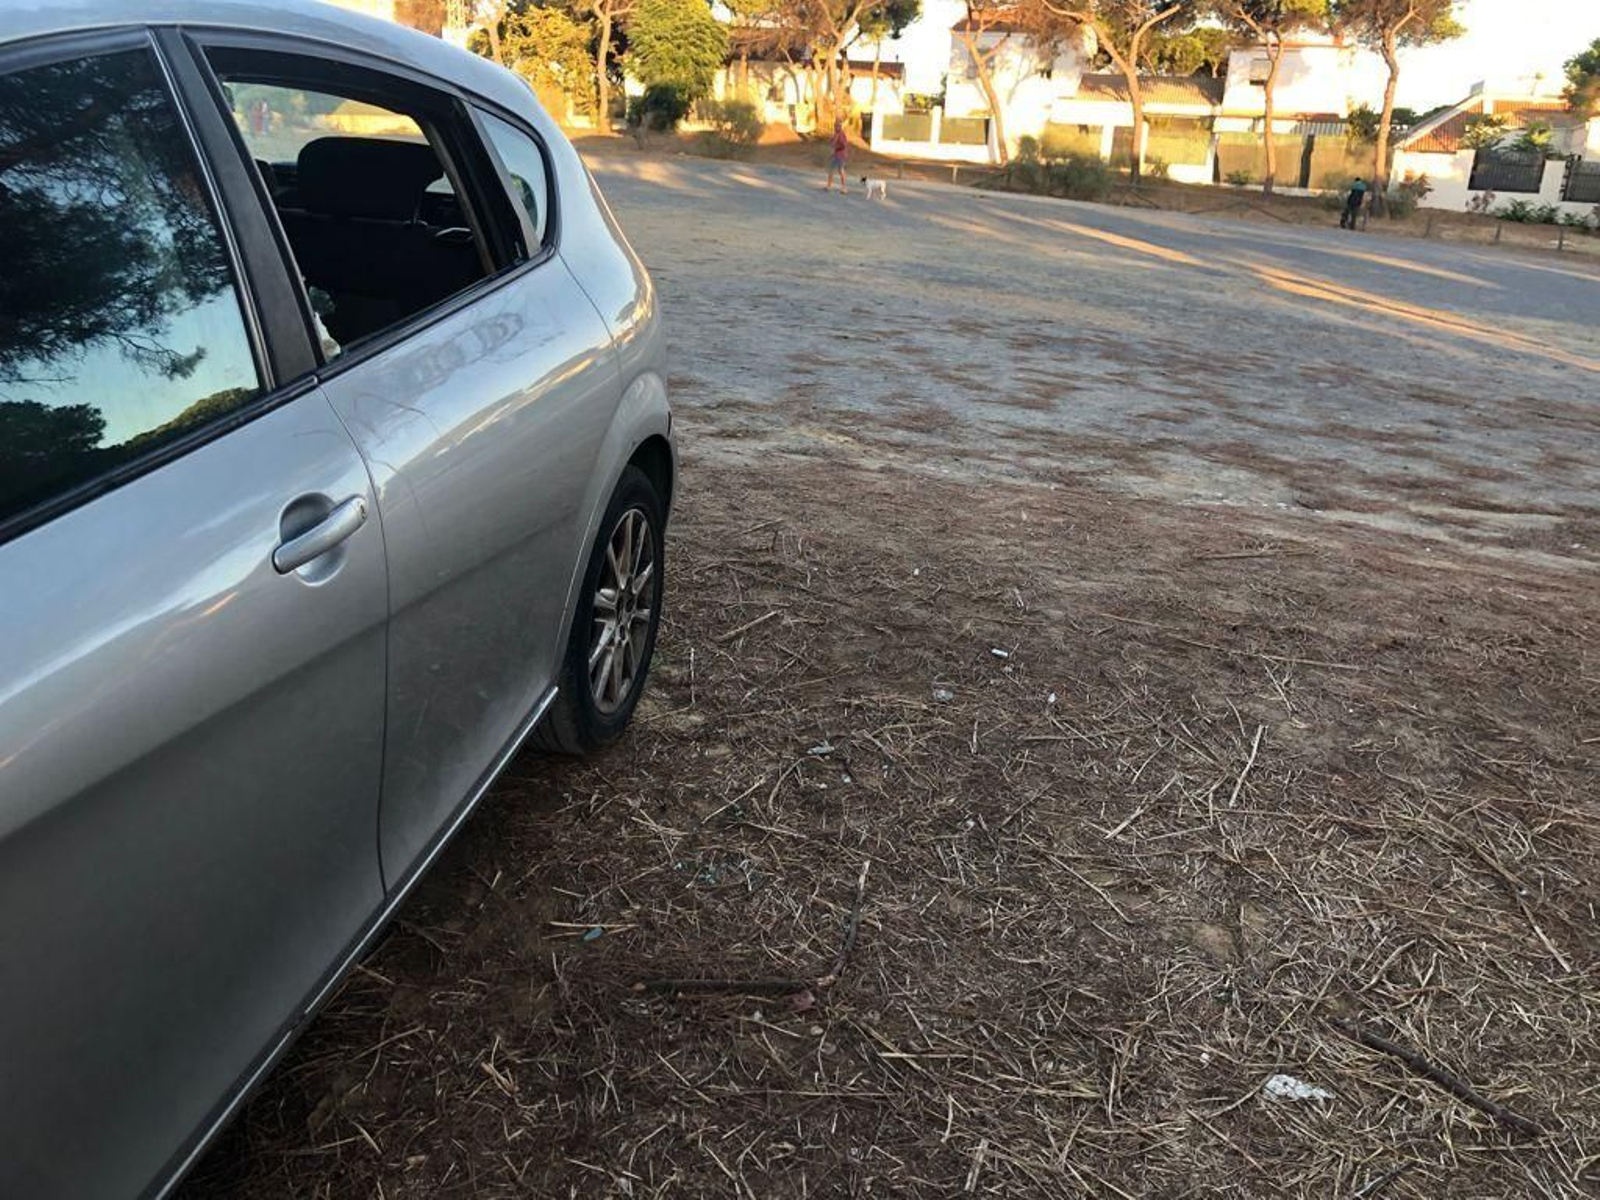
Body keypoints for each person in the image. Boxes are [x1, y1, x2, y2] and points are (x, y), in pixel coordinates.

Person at [825, 117, 849, 194]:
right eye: (835, 126)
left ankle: (844, 188)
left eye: (837, 126)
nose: (835, 127)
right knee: (831, 169)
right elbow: (831, 142)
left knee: (841, 170)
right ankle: (828, 186)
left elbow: (844, 145)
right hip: (836, 154)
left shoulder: (841, 134)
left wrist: (836, 147)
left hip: (841, 155)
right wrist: (831, 141)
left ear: (840, 126)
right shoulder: (835, 133)